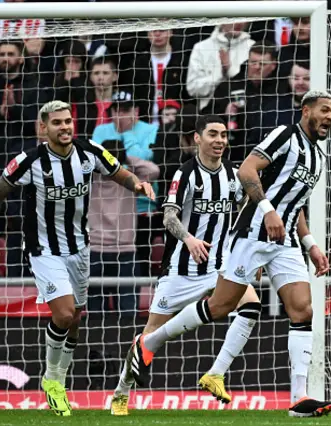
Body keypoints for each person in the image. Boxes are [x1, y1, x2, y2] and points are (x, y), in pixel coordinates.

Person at [130, 90, 331, 418]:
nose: (329, 117)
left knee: (303, 309)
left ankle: (299, 398)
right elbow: (248, 171)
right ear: (306, 110)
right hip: (251, 234)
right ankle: (151, 342)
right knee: (221, 305)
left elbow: (293, 205)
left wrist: (311, 244)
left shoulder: (318, 158)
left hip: (285, 242)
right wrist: (267, 211)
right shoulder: (284, 135)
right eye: (324, 110)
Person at [0, 100, 155, 417]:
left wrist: (137, 184)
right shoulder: (28, 160)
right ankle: (53, 378)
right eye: (57, 122)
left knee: (74, 319)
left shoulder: (89, 152)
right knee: (63, 313)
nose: (65, 127)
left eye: (68, 121)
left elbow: (118, 172)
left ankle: (59, 380)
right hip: (43, 249)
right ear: (44, 128)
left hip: (79, 248)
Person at [110, 116, 262, 415]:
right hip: (181, 269)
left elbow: (246, 208)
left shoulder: (233, 173)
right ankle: (120, 392)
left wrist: (247, 254)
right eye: (213, 134)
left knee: (251, 306)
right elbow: (168, 216)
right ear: (197, 138)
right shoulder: (187, 173)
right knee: (148, 338)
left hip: (220, 267)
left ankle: (216, 374)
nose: (220, 140)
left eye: (223, 135)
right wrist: (189, 239)